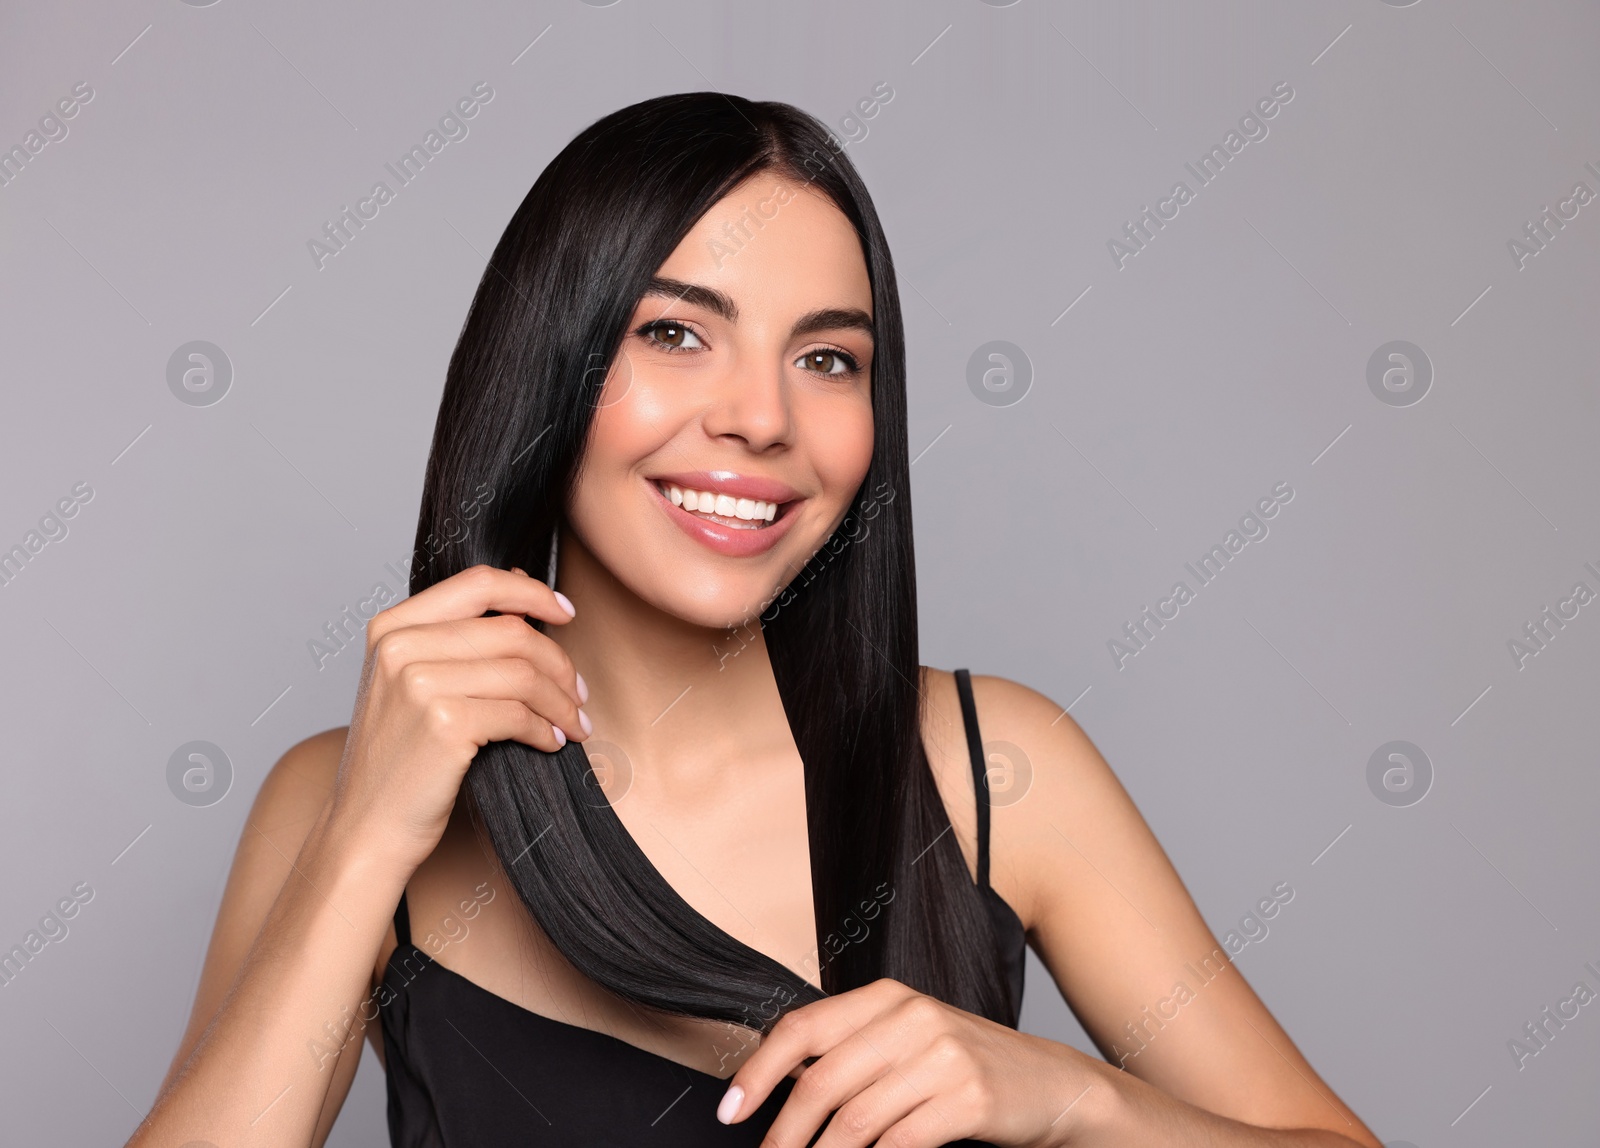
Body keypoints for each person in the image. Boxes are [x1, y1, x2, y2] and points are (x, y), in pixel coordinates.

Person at [128, 92, 1382, 1148]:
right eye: (676, 332)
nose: (762, 418)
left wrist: (1068, 1096)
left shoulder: (999, 767)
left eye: (827, 358)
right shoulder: (335, 798)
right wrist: (364, 840)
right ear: (545, 365)